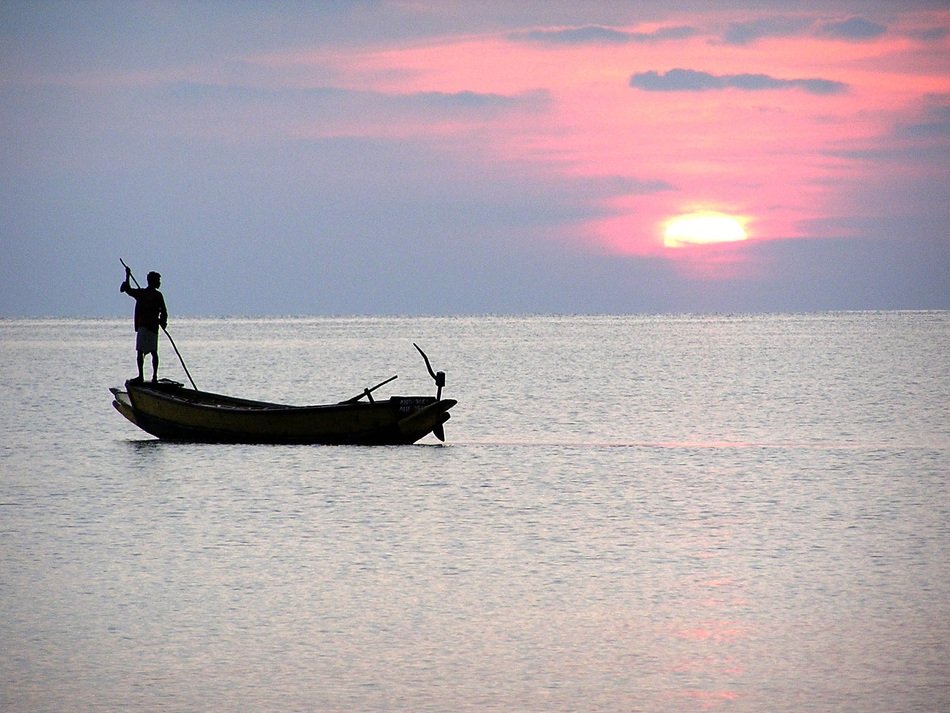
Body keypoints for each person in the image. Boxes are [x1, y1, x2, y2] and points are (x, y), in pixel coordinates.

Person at [120, 267, 168, 382]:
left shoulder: (153, 295)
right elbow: (128, 290)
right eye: (158, 280)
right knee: (148, 352)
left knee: (150, 352)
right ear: (153, 281)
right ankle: (145, 376)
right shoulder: (144, 293)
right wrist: (127, 275)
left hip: (150, 327)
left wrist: (163, 321)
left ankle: (152, 377)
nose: (159, 282)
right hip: (146, 327)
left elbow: (164, 312)